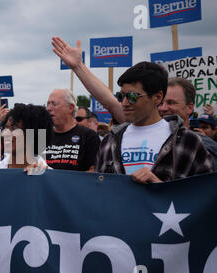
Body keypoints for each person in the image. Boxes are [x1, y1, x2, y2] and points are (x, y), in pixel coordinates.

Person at [52, 37, 214, 182]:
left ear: (157, 97)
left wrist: (161, 190)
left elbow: (203, 199)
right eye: (122, 96)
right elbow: (100, 195)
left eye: (133, 97)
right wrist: (78, 66)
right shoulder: (110, 143)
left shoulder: (188, 142)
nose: (124, 102)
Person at [158, 77, 217, 170]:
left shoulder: (204, 146)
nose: (163, 108)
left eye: (171, 103)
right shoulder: (144, 140)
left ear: (189, 108)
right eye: (160, 103)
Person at [45, 89, 101, 171]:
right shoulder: (41, 136)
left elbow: (95, 171)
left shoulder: (89, 136)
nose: (49, 108)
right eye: (48, 104)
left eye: (54, 104)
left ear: (71, 107)